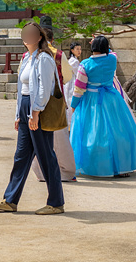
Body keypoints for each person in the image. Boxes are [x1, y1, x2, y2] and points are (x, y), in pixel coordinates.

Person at [0, 22, 65, 215]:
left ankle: (56, 202)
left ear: (39, 37)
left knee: (46, 155)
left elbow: (44, 88)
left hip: (36, 108)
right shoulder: (26, 57)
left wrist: (36, 112)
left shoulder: (44, 59)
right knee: (21, 156)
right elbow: (21, 88)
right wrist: (19, 114)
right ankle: (10, 199)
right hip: (25, 107)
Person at [70, 35, 136, 178]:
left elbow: (79, 89)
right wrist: (102, 44)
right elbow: (111, 52)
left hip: (91, 101)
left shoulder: (85, 64)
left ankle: (95, 166)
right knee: (118, 132)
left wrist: (73, 106)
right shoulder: (112, 59)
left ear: (92, 48)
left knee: (93, 134)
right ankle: (121, 167)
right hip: (112, 99)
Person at [31, 17, 76, 182]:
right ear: (52, 38)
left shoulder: (29, 54)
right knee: (59, 139)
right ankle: (66, 171)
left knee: (37, 139)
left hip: (34, 102)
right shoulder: (59, 54)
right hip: (54, 102)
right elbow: (67, 76)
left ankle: (40, 172)